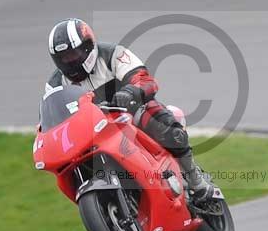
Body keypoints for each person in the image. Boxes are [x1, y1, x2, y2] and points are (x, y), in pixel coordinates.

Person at [45, 18, 216, 203]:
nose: (70, 62)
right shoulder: (55, 84)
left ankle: (194, 178)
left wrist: (129, 92)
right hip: (92, 131)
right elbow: (51, 116)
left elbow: (144, 79)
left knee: (160, 122)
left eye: (74, 54)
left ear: (88, 47)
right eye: (64, 58)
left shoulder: (112, 54)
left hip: (129, 113)